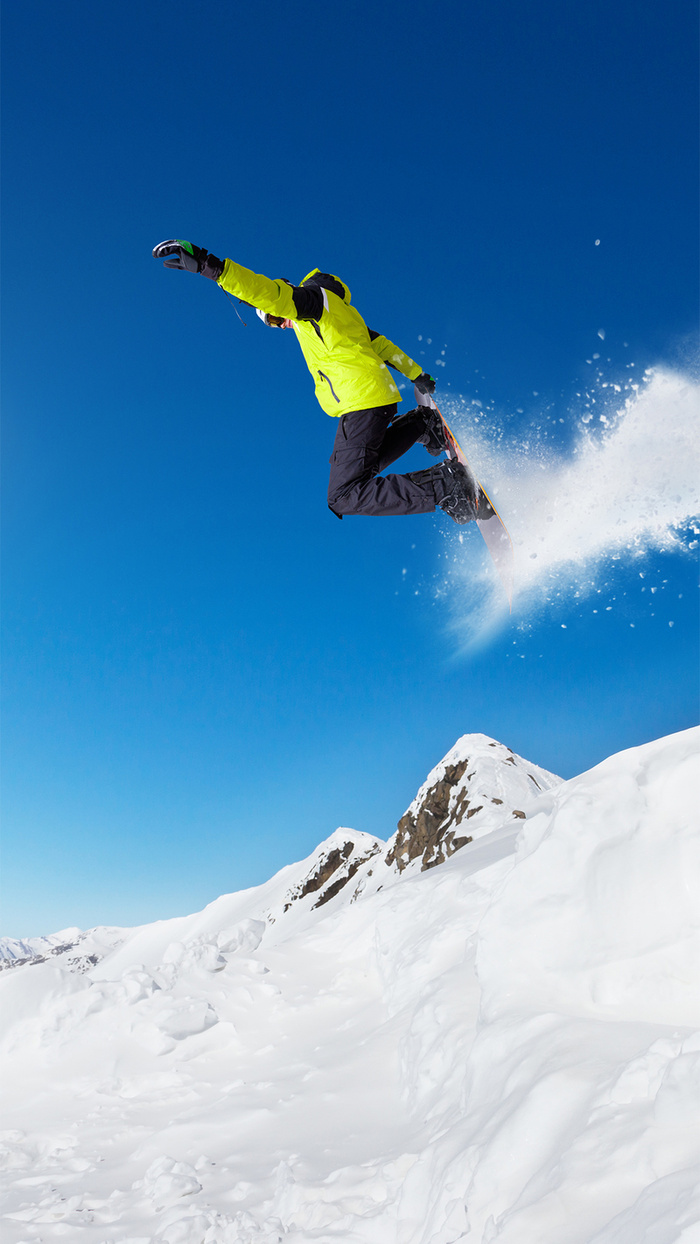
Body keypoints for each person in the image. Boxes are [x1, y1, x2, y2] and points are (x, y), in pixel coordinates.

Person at [153, 240, 478, 523]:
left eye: (276, 320)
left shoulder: (307, 303)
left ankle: (446, 485)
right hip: (375, 396)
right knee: (356, 466)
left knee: (343, 495)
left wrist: (209, 266)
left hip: (361, 400)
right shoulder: (340, 311)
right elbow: (380, 345)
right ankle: (421, 425)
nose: (281, 327)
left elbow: (265, 291)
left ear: (280, 310)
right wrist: (417, 375)